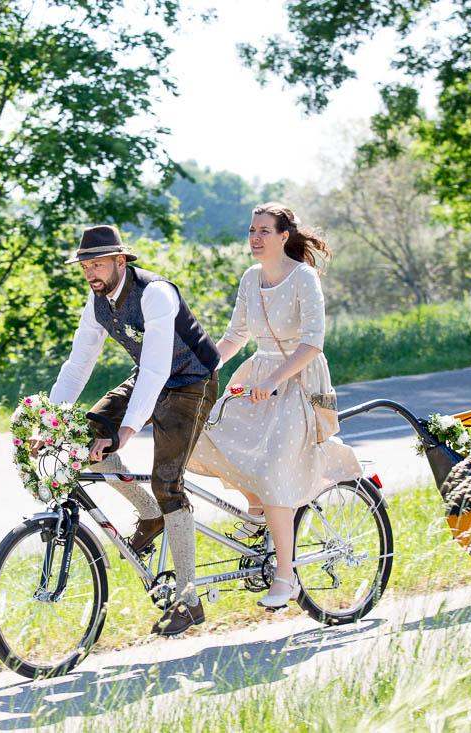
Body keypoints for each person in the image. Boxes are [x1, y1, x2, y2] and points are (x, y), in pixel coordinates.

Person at [46, 224, 220, 636]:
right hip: (150, 376)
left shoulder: (155, 293)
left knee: (168, 483)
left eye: (98, 264)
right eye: (85, 265)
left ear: (120, 261)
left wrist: (127, 429)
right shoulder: (97, 304)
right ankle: (149, 513)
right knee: (85, 437)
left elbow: (160, 368)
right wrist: (49, 420)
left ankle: (189, 599)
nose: (91, 273)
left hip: (192, 381)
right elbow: (77, 366)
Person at [187, 202, 361, 609]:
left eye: (264, 230)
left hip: (298, 380)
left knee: (274, 470)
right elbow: (234, 335)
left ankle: (287, 577)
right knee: (208, 436)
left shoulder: (304, 278)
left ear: (285, 236)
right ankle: (260, 511)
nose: (255, 238)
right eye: (251, 230)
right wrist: (200, 367)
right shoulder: (251, 279)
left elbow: (312, 342)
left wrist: (272, 379)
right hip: (259, 376)